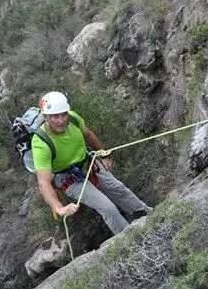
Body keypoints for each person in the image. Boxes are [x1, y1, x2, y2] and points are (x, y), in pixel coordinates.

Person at [32, 91, 152, 235]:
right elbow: (43, 183)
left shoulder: (73, 119)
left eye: (64, 114)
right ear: (45, 117)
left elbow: (88, 135)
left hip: (88, 164)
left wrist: (104, 154)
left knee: (119, 189)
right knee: (107, 207)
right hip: (69, 179)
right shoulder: (41, 143)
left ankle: (149, 216)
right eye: (55, 117)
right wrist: (59, 208)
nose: (61, 120)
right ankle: (130, 239)